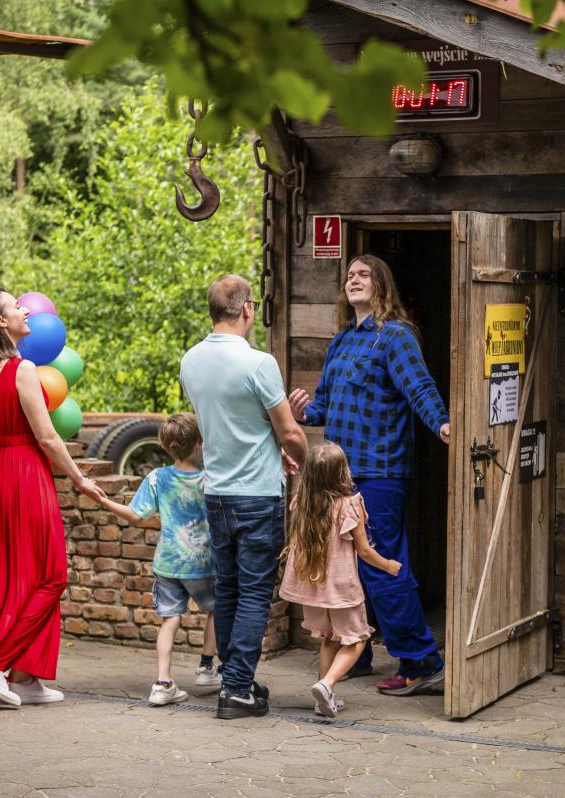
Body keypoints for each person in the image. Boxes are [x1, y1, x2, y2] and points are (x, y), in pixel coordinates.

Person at [288, 254, 449, 696]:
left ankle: (421, 661)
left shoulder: (395, 336)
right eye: (349, 275)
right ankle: (354, 652)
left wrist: (441, 423)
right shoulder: (342, 341)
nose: (353, 280)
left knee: (380, 566)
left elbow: (420, 388)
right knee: (346, 569)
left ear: (381, 285)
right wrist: (303, 412)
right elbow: (325, 405)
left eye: (363, 274)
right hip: (339, 478)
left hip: (380, 472)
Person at [0, 288, 106, 707]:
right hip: (26, 471)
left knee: (13, 575)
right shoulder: (23, 369)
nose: (26, 310)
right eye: (16, 306)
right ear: (1, 321)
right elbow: (47, 436)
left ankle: (25, 677)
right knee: (51, 574)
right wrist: (79, 479)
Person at [180, 274, 307, 719]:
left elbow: (231, 423)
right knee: (254, 593)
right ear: (247, 309)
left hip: (217, 492)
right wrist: (303, 460)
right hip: (257, 494)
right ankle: (236, 689)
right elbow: (288, 431)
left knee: (230, 590)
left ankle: (238, 678)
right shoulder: (259, 363)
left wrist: (273, 448)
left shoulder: (190, 361)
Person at [97, 413, 219, 706]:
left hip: (167, 564)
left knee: (170, 619)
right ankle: (206, 668)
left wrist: (103, 500)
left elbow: (135, 515)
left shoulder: (157, 478)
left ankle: (163, 683)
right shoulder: (212, 477)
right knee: (218, 610)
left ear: (166, 446)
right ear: (199, 443)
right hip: (203, 564)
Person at [279, 442, 401, 718]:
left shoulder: (303, 503)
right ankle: (327, 683)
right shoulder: (349, 505)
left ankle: (324, 699)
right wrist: (388, 566)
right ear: (341, 472)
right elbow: (365, 551)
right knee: (357, 640)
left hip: (314, 590)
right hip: (341, 589)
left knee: (331, 639)